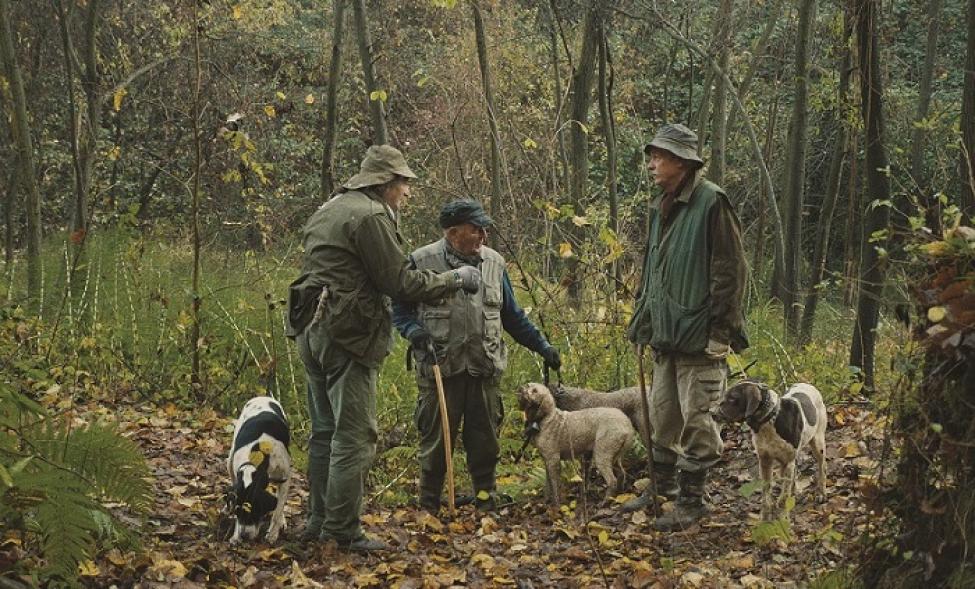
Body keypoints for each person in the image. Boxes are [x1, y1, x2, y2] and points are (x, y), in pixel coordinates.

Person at [285, 145, 482, 552]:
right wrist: (456, 279)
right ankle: (341, 532)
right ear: (385, 183)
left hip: (310, 329)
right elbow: (400, 283)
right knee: (354, 435)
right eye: (404, 184)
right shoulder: (371, 215)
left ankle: (318, 522)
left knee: (324, 432)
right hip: (347, 333)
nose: (408, 193)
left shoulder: (331, 207)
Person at [392, 199, 562, 514]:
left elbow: (512, 316)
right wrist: (414, 332)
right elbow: (399, 310)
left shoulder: (495, 263)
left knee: (485, 445)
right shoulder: (421, 261)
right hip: (440, 370)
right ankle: (428, 508)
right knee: (435, 445)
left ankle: (486, 503)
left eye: (485, 228)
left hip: (484, 369)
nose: (483, 235)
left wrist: (542, 346)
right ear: (453, 232)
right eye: (476, 229)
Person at [621, 124, 748, 531]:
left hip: (700, 339)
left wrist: (721, 332)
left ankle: (693, 502)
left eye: (658, 156)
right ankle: (662, 488)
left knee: (699, 421)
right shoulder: (663, 204)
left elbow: (730, 271)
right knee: (662, 418)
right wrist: (642, 324)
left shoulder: (712, 202)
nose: (651, 163)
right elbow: (653, 273)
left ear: (681, 161)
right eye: (652, 155)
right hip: (666, 338)